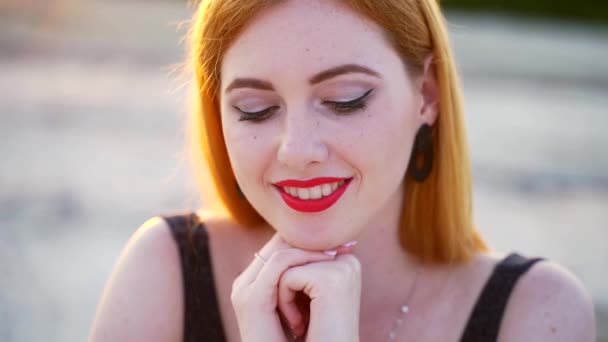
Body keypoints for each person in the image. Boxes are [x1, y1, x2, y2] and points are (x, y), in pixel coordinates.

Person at [89, 0, 596, 341]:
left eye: (344, 100)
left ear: (427, 94)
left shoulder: (537, 312)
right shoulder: (165, 270)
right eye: (255, 108)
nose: (297, 150)